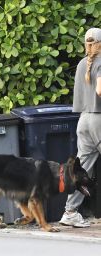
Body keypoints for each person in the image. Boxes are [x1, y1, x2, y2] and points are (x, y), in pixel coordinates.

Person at [59, 27, 101, 227]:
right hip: (98, 120)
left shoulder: (82, 64)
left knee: (81, 169)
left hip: (83, 121)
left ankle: (70, 212)